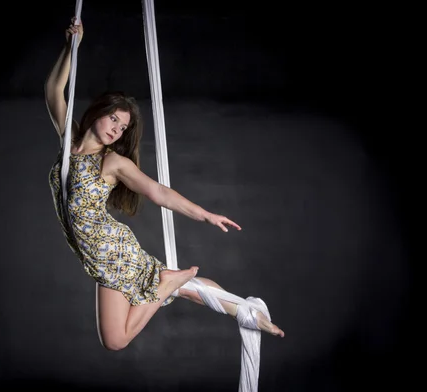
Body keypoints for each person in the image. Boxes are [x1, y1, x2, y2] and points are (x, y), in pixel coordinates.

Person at [46, 17, 284, 351]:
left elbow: (158, 192)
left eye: (123, 127)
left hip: (112, 253)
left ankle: (171, 285)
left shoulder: (112, 162)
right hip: (99, 257)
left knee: (117, 339)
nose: (117, 129)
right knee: (187, 290)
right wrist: (72, 46)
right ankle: (245, 312)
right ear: (98, 112)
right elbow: (54, 90)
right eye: (114, 118)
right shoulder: (69, 142)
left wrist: (205, 214)